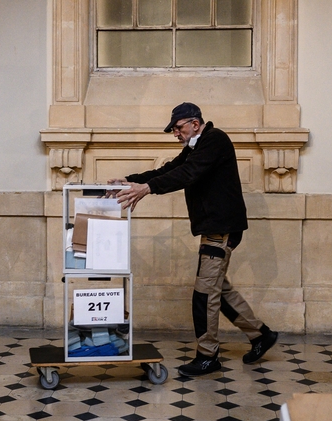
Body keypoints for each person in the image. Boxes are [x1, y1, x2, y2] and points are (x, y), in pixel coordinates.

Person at [110, 102, 278, 376]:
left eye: (178, 128)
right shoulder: (196, 147)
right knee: (218, 291)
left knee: (203, 294)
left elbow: (188, 174)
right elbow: (168, 170)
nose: (175, 133)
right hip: (215, 228)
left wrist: (147, 189)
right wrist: (131, 181)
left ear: (195, 124)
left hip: (220, 229)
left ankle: (207, 356)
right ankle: (261, 335)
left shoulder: (215, 140)